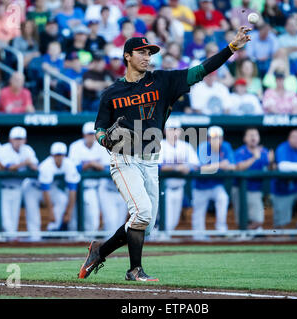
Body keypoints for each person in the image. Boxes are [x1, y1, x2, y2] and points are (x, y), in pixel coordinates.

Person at [78, 27, 252, 281]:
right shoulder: (112, 93)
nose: (147, 56)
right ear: (127, 56)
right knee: (143, 213)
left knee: (145, 227)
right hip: (124, 157)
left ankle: (99, 251)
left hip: (150, 159)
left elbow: (202, 70)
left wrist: (231, 48)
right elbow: (100, 129)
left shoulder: (163, 81)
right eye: (141, 52)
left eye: (149, 52)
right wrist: (104, 138)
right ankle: (134, 270)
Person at [23, 142, 81, 237]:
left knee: (62, 199)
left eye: (61, 155)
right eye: (56, 155)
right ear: (52, 155)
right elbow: (45, 191)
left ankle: (52, 229)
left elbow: (72, 190)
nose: (58, 157)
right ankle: (34, 238)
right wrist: (50, 212)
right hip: (33, 188)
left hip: (50, 188)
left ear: (64, 155)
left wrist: (69, 212)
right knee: (33, 214)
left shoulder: (69, 164)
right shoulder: (46, 165)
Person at [192, 125, 235, 240]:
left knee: (223, 198)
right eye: (213, 138)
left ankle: (221, 230)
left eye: (219, 138)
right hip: (201, 186)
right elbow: (201, 168)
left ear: (222, 139)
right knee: (199, 211)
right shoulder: (203, 147)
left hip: (216, 185)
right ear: (208, 139)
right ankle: (198, 235)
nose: (216, 140)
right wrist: (220, 165)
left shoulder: (226, 147)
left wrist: (219, 166)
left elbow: (232, 165)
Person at [158, 118, 199, 232]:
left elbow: (195, 165)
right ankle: (157, 243)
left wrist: (187, 167)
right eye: (171, 129)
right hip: (163, 188)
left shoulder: (185, 146)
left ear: (180, 131)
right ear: (165, 131)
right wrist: (177, 167)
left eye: (176, 129)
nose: (174, 132)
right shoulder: (160, 145)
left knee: (174, 221)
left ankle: (161, 243)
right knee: (165, 220)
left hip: (179, 187)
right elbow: (159, 167)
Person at [0, 126, 38, 235]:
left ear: (25, 140)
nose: (18, 141)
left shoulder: (27, 149)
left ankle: (10, 246)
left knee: (13, 219)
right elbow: (9, 168)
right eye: (16, 139)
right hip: (3, 188)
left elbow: (35, 167)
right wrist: (24, 163)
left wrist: (29, 164)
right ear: (10, 139)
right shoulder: (4, 149)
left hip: (18, 187)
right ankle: (4, 242)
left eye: (21, 139)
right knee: (5, 220)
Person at [233, 128, 274, 230]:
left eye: (255, 135)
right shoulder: (240, 152)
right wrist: (254, 158)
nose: (253, 137)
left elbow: (271, 170)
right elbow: (239, 168)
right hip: (239, 189)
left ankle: (245, 234)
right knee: (241, 219)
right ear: (245, 138)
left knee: (258, 220)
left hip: (255, 190)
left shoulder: (264, 152)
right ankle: (245, 236)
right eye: (250, 135)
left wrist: (272, 162)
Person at [68, 122, 106, 232]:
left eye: (92, 134)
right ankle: (72, 245)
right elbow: (73, 168)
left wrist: (90, 164)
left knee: (93, 221)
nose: (90, 137)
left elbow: (105, 167)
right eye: (88, 134)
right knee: (74, 221)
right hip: (75, 189)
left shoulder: (101, 147)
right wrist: (91, 164)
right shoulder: (75, 146)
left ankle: (88, 243)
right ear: (84, 135)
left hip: (92, 188)